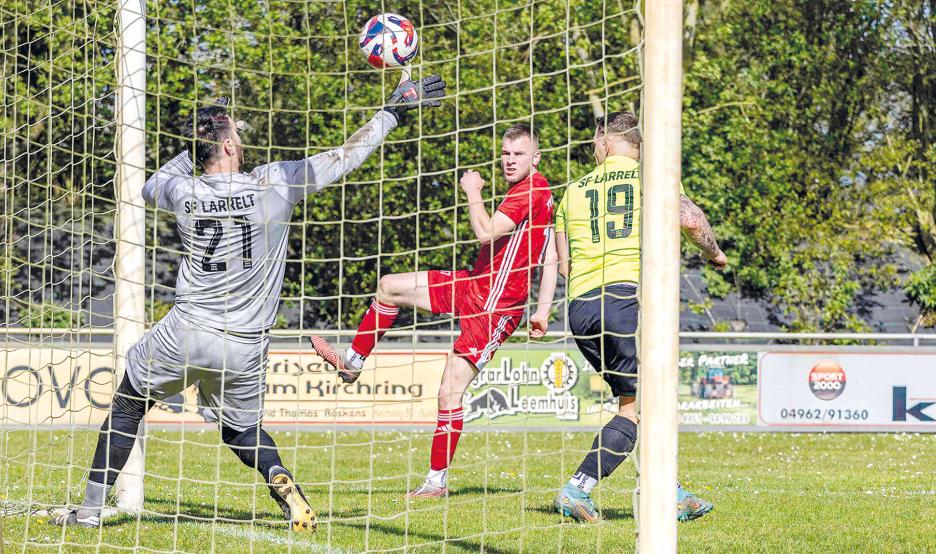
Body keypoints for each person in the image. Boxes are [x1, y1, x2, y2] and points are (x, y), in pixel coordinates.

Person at [51, 75, 447, 531]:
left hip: (186, 332)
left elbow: (150, 186)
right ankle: (279, 477)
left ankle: (89, 511)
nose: (240, 138)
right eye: (235, 134)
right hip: (244, 345)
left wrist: (203, 135)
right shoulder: (275, 183)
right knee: (240, 431)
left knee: (126, 408)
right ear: (230, 149)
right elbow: (344, 157)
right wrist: (391, 113)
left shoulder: (186, 191)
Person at [310, 124, 559, 497]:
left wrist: (473, 193)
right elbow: (551, 254)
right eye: (505, 154)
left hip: (495, 307)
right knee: (390, 286)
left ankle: (435, 482)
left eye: (518, 154)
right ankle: (353, 361)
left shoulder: (530, 190)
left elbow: (486, 232)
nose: (509, 161)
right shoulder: (536, 192)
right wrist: (543, 310)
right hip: (475, 284)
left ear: (535, 157)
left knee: (448, 393)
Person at [545, 112, 726, 523]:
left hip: (581, 310)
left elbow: (564, 265)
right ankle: (579, 487)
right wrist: (714, 254)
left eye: (595, 142)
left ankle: (671, 491)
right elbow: (692, 220)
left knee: (638, 402)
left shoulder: (572, 190)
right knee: (637, 409)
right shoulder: (654, 178)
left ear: (607, 143)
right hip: (626, 302)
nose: (594, 149)